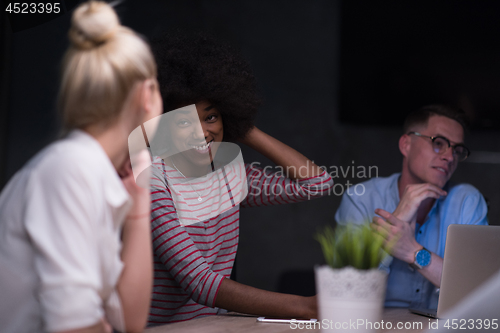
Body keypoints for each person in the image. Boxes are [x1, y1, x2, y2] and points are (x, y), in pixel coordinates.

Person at [145, 32, 334, 325]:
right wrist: (307, 307)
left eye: (211, 117)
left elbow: (317, 183)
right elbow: (198, 283)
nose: (201, 133)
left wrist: (243, 127)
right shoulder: (153, 182)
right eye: (184, 121)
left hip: (212, 326)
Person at [0, 2, 162, 332]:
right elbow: (74, 325)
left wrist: (139, 207)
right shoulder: (71, 169)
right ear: (147, 95)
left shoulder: (90, 169)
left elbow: (130, 321)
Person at [335, 104, 488, 310]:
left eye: (457, 150)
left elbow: (479, 293)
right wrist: (397, 217)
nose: (450, 157)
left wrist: (414, 252)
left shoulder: (467, 201)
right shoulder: (360, 198)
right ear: (406, 145)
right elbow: (344, 290)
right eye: (439, 142)